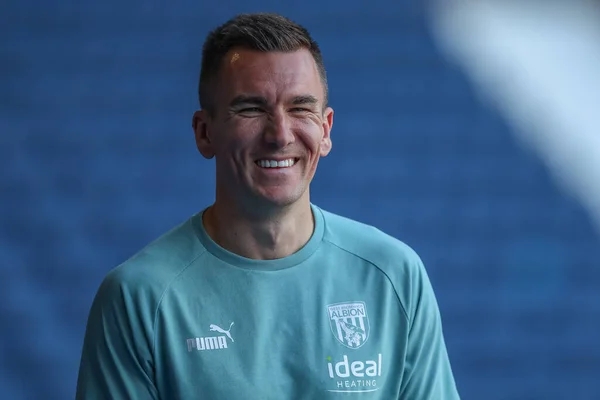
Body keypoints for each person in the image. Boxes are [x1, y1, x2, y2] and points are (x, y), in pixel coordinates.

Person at [75, 12, 460, 399]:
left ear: (325, 130)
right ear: (204, 133)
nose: (279, 134)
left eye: (300, 108)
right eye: (251, 109)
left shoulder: (394, 276)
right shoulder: (139, 297)